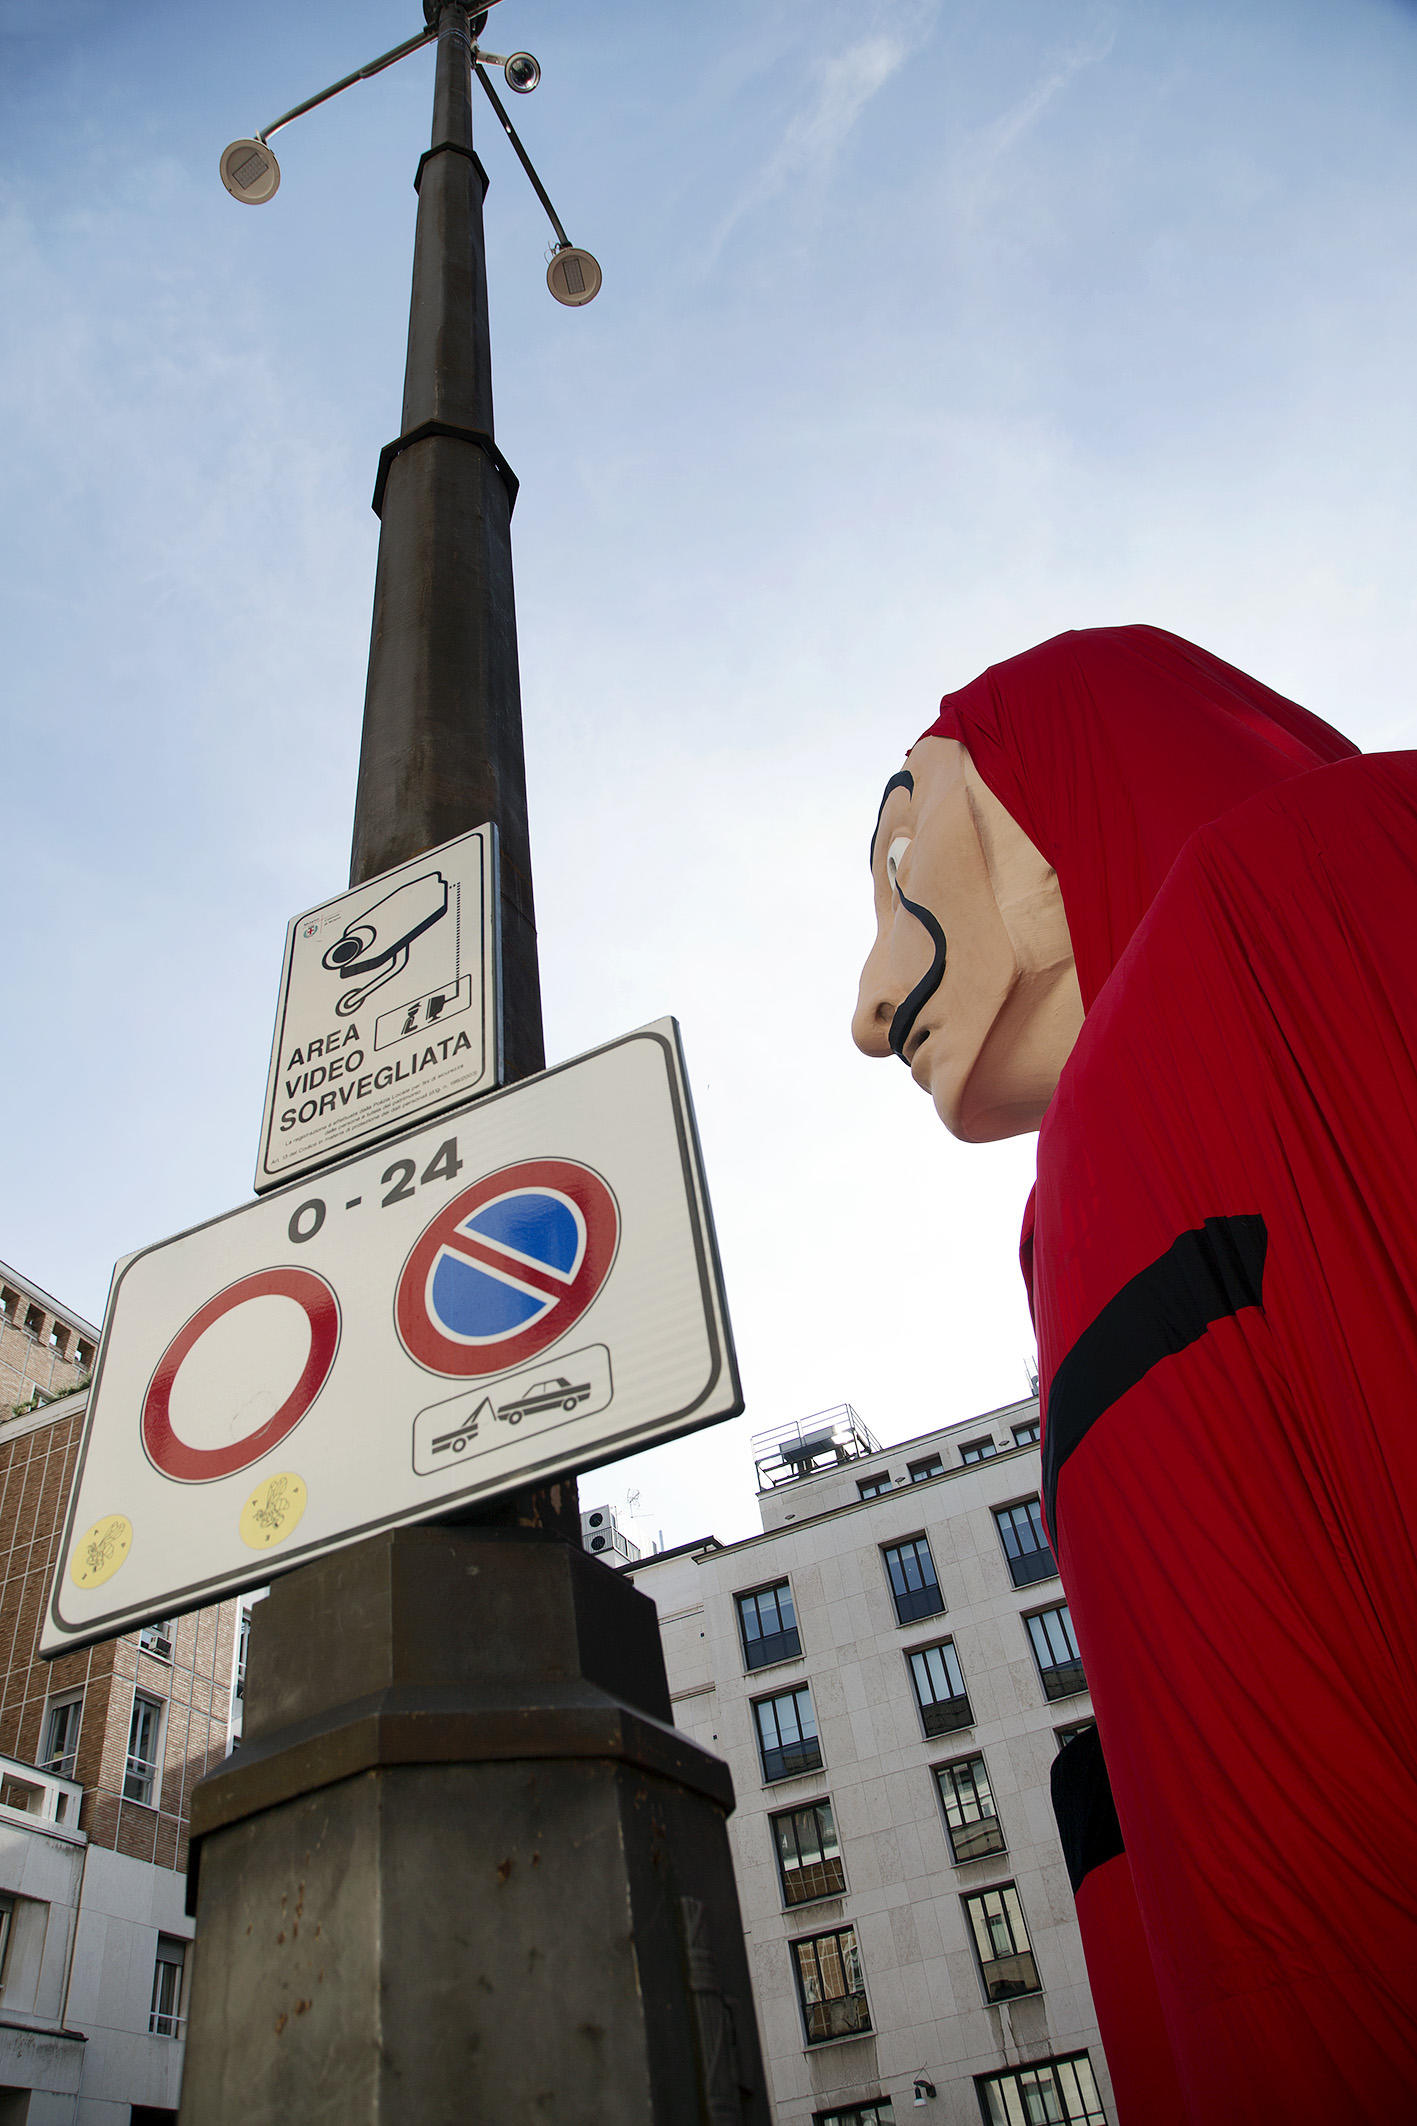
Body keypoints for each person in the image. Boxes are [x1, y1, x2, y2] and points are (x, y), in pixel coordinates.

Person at [852, 625, 1417, 2123]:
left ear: (1048, 805)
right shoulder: (1085, 1180)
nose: (867, 1008)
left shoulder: (1319, 894)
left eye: (902, 862)